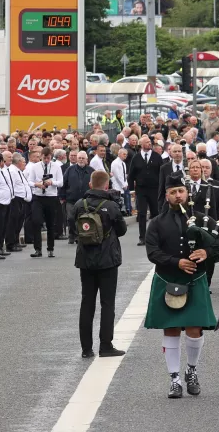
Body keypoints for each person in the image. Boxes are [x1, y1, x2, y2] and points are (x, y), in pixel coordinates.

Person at [144, 174, 219, 399]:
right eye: (173, 192)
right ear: (166, 195)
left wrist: (207, 252)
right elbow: (152, 252)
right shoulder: (156, 223)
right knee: (171, 329)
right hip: (167, 280)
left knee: (194, 329)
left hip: (195, 281)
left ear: (187, 193)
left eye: (181, 191)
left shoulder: (202, 220)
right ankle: (174, 379)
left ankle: (191, 371)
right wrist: (176, 262)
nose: (178, 195)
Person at [74, 170, 128, 358]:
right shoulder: (111, 206)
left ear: (90, 184)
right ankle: (105, 345)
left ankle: (86, 349)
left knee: (87, 302)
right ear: (106, 185)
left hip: (85, 260)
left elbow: (73, 229)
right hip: (107, 260)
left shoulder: (80, 204)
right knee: (107, 303)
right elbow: (121, 230)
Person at [25, 147, 63, 258]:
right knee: (36, 221)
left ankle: (50, 248)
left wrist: (52, 182)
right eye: (44, 158)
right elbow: (29, 181)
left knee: (51, 223)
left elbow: (60, 182)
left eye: (48, 158)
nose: (46, 160)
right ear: (41, 156)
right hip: (38, 196)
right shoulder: (35, 167)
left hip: (51, 197)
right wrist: (37, 184)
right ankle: (38, 249)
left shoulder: (56, 166)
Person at [130, 136, 164, 245]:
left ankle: (156, 236)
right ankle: (142, 237)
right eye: (147, 142)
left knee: (156, 213)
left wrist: (163, 188)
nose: (149, 144)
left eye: (150, 142)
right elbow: (131, 175)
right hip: (141, 189)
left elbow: (162, 173)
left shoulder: (157, 157)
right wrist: (131, 190)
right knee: (142, 213)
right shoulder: (136, 158)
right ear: (141, 144)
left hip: (155, 189)